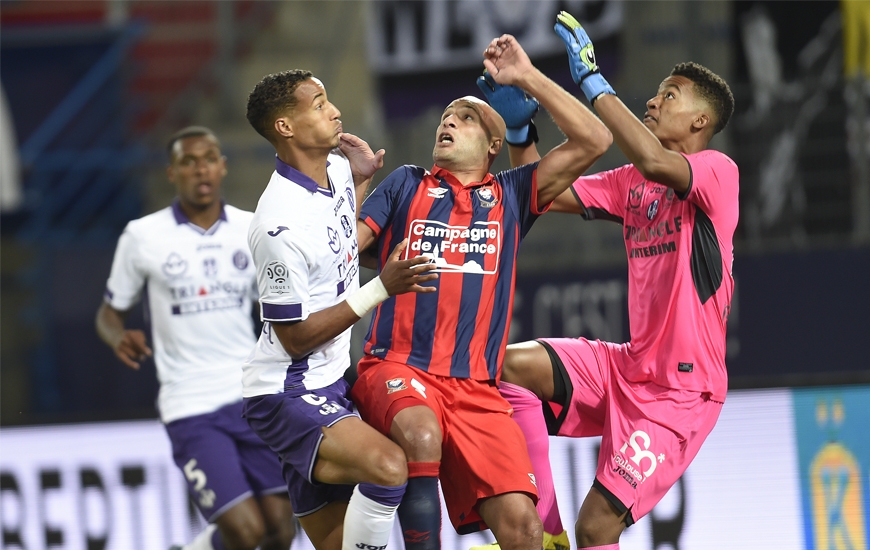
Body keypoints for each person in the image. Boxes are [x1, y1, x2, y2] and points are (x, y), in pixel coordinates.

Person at [349, 34, 612, 550]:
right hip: (397, 367)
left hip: (477, 390)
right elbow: (343, 251)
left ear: (495, 146)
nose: (449, 121)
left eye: (467, 117)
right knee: (422, 437)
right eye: (446, 115)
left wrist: (526, 78)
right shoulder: (407, 183)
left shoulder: (512, 195)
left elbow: (595, 141)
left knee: (525, 529)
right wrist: (357, 188)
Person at [495, 12, 738, 550]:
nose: (653, 102)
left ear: (701, 121)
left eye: (669, 95)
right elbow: (544, 192)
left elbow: (654, 161)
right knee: (508, 366)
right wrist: (519, 131)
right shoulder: (631, 182)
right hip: (627, 365)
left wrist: (590, 82)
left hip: (681, 393)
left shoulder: (719, 174)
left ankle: (570, 536)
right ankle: (547, 534)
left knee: (599, 528)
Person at [241, 70, 439, 550]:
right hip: (286, 392)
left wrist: (361, 180)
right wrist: (380, 289)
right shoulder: (276, 226)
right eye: (319, 103)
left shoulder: (335, 172)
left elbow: (336, 245)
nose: (335, 111)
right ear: (286, 127)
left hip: (332, 378)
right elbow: (295, 338)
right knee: (391, 466)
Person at [96, 126, 296, 550]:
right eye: (189, 161)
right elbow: (109, 312)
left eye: (209, 158)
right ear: (172, 172)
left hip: (251, 396)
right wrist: (116, 336)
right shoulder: (142, 236)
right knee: (246, 531)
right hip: (190, 404)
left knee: (281, 530)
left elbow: (282, 304)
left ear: (222, 167)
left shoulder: (251, 228)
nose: (200, 168)